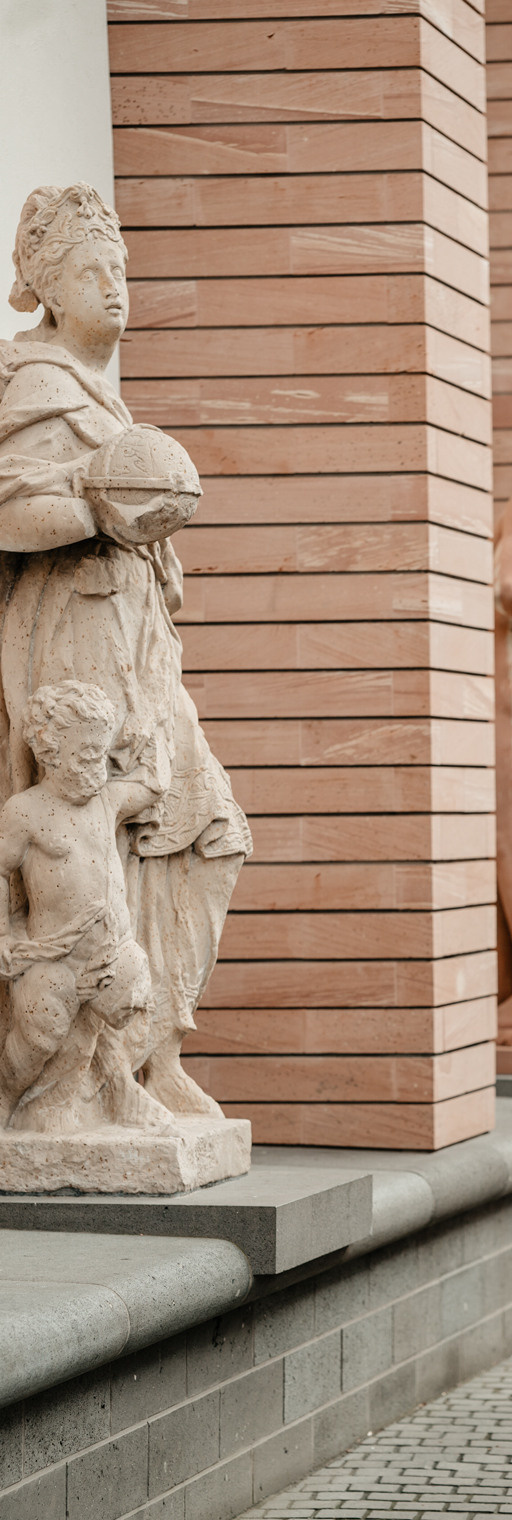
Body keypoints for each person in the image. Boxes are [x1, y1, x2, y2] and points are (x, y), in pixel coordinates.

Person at [0, 183, 251, 1122]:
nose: (114, 288)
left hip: (140, 642)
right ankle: (87, 1078)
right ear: (48, 290)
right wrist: (101, 500)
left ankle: (156, 1049)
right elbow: (13, 514)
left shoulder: (103, 395)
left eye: (120, 271)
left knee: (207, 831)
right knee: (99, 846)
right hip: (76, 639)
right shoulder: (39, 385)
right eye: (90, 273)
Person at [0, 681, 162, 1131]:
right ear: (50, 753)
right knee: (38, 1037)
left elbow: (152, 784)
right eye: (87, 756)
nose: (99, 767)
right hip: (52, 952)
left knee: (124, 1015)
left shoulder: (107, 799)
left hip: (110, 949)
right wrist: (3, 934)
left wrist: (149, 725)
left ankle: (67, 1101)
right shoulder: (26, 811)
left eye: (102, 754)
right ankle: (6, 1096)